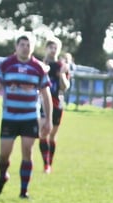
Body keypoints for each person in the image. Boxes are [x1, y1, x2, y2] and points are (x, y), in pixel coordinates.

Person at [0, 34, 52, 199]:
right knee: (4, 154)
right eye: (22, 44)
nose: (25, 47)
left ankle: (24, 191)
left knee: (27, 151)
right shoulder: (6, 65)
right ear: (16, 47)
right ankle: (3, 175)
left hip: (30, 117)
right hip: (10, 117)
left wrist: (49, 120)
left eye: (28, 44)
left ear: (32, 47)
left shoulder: (38, 68)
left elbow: (46, 96)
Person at [38, 37, 70, 175]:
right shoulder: (40, 64)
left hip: (58, 102)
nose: (53, 50)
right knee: (43, 132)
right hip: (42, 102)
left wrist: (62, 74)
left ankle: (50, 161)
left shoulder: (61, 66)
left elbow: (65, 87)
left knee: (52, 135)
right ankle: (46, 164)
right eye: (51, 47)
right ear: (46, 48)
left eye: (55, 47)